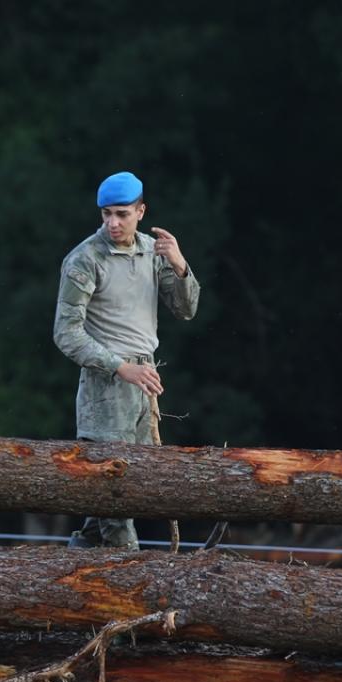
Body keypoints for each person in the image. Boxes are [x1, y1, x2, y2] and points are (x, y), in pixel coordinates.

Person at [54, 171, 201, 550]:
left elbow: (185, 310)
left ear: (141, 211)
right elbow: (66, 333)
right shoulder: (84, 259)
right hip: (107, 384)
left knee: (123, 492)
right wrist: (120, 367)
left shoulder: (152, 251)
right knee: (114, 493)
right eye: (106, 214)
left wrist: (181, 265)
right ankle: (132, 583)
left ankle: (78, 560)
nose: (112, 223)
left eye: (121, 214)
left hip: (145, 380)